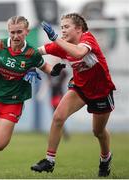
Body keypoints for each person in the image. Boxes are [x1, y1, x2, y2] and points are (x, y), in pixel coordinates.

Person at [0, 16, 65, 179]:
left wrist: (53, 71)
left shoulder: (32, 53)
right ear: (8, 32)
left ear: (26, 32)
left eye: (19, 32)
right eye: (12, 32)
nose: (15, 36)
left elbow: (44, 66)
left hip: (13, 102)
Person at [31, 13, 116, 177]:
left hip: (101, 91)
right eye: (61, 27)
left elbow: (78, 53)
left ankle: (105, 158)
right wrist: (18, 57)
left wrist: (56, 38)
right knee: (58, 117)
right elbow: (36, 52)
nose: (62, 30)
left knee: (98, 132)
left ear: (79, 29)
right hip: (80, 89)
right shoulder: (62, 44)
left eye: (66, 27)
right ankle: (49, 160)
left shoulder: (87, 38)